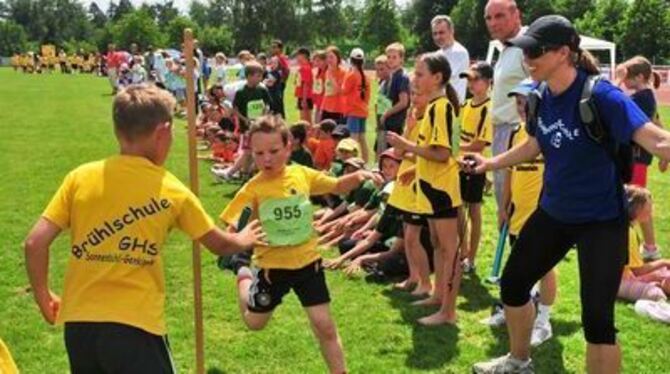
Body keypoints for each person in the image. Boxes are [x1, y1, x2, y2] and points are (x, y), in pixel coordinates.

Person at [468, 15, 670, 373]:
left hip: (601, 221)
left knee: (597, 321)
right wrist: (489, 163)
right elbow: (534, 144)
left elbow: (657, 139)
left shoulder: (602, 95)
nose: (528, 59)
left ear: (564, 53)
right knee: (513, 285)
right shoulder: (541, 96)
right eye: (525, 51)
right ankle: (518, 361)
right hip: (555, 213)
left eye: (536, 51)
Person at [23, 85, 264, 373]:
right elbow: (219, 245)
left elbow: (34, 243)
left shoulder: (81, 177)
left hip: (79, 326)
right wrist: (243, 238)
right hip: (136, 327)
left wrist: (43, 295)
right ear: (162, 132)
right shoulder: (172, 189)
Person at [218, 115, 383, 374]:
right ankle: (243, 274)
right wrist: (231, 243)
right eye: (259, 153)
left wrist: (360, 175)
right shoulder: (253, 189)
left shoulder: (301, 175)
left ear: (288, 147)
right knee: (255, 323)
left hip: (308, 264)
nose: (267, 159)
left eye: (273, 151)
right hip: (273, 269)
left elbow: (338, 185)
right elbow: (232, 225)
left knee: (324, 326)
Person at [387, 52, 463, 326]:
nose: (414, 79)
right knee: (438, 246)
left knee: (449, 250)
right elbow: (432, 153)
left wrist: (406, 147)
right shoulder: (433, 108)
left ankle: (449, 312)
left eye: (420, 74)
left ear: (437, 78)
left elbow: (442, 154)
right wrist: (415, 170)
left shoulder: (441, 108)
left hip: (442, 189)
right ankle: (438, 296)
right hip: (431, 187)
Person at [493, 80, 556, 347]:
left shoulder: (549, 133)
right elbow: (510, 171)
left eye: (526, 103)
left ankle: (544, 319)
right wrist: (503, 205)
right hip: (518, 212)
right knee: (521, 263)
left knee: (545, 268)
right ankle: (513, 309)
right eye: (518, 103)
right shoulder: (516, 132)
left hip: (543, 213)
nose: (521, 108)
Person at [617, 56, 666, 261]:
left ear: (639, 77)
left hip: (636, 160)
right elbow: (657, 123)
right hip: (637, 160)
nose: (625, 79)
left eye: (627, 75)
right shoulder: (645, 97)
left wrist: (617, 81)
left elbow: (617, 105)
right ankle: (649, 247)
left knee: (634, 205)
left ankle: (639, 248)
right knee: (637, 202)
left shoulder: (642, 98)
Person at [386, 83, 433, 296]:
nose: (414, 98)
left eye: (419, 93)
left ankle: (425, 283)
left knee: (414, 236)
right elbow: (398, 151)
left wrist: (408, 155)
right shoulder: (412, 117)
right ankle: (413, 277)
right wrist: (408, 128)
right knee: (407, 233)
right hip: (405, 184)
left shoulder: (432, 120)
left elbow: (429, 155)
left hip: (417, 182)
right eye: (412, 93)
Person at [485, 0, 529, 212]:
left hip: (518, 134)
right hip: (502, 132)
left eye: (499, 16)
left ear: (516, 15)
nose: (493, 23)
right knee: (503, 199)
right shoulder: (507, 49)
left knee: (515, 203)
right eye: (489, 18)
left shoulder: (526, 46)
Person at [458, 62, 494, 274]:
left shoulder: (487, 109)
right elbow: (456, 133)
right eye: (469, 79)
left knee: (474, 210)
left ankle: (471, 258)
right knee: (457, 209)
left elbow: (479, 145)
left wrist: (454, 148)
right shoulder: (465, 105)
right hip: (459, 163)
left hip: (475, 166)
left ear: (488, 82)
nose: (471, 84)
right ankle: (462, 251)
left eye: (476, 79)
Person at [618, 186, 670, 301]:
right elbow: (637, 271)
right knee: (656, 294)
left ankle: (661, 284)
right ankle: (660, 287)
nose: (651, 211)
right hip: (617, 283)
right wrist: (664, 262)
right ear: (637, 208)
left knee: (661, 274)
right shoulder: (628, 233)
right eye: (649, 207)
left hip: (616, 277)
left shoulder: (620, 225)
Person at [431, 15, 470, 104]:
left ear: (451, 31)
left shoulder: (459, 52)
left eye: (441, 33)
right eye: (435, 33)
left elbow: (441, 79)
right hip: (438, 105)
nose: (438, 37)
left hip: (452, 107)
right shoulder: (438, 54)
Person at [342, 48, 371, 163]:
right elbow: (367, 96)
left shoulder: (351, 75)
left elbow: (343, 90)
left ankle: (353, 162)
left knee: (353, 138)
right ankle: (365, 160)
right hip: (363, 110)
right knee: (362, 137)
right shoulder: (366, 77)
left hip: (353, 110)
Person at [379, 43, 411, 139]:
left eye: (394, 57)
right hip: (389, 122)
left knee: (391, 152)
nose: (391, 60)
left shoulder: (402, 77)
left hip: (396, 122)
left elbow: (403, 102)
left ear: (401, 59)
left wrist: (386, 114)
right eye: (388, 57)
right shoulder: (392, 75)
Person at [233, 61, 274, 128]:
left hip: (260, 125)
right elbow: (235, 109)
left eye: (261, 76)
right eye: (258, 76)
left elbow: (267, 104)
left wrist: (263, 116)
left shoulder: (263, 90)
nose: (260, 79)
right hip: (246, 127)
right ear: (249, 76)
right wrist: (245, 119)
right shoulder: (241, 92)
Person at [321, 46, 347, 124]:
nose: (329, 60)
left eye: (331, 57)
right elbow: (327, 91)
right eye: (327, 57)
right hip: (326, 108)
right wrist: (322, 107)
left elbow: (340, 91)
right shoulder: (327, 72)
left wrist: (332, 77)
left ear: (338, 58)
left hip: (338, 109)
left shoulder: (343, 72)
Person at [374, 55, 392, 158]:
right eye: (377, 70)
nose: (379, 72)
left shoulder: (391, 83)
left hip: (387, 120)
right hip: (380, 118)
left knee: (384, 150)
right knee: (379, 148)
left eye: (382, 69)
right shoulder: (381, 82)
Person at [270, 40, 290, 117]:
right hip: (274, 83)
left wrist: (283, 81)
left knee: (278, 103)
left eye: (275, 47)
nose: (272, 49)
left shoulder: (281, 58)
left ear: (280, 49)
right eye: (272, 47)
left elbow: (287, 70)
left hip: (279, 84)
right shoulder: (274, 58)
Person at [294, 47, 314, 124]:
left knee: (305, 121)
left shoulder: (305, 68)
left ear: (304, 56)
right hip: (303, 96)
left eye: (298, 56)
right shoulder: (305, 67)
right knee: (306, 120)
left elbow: (306, 84)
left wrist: (304, 100)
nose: (297, 58)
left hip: (305, 97)